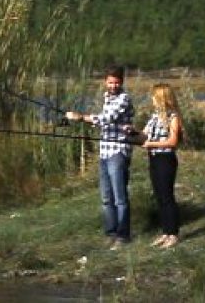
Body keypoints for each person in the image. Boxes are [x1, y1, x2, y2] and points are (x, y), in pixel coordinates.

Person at [65, 65, 134, 250]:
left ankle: (123, 236)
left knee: (120, 198)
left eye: (117, 82)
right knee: (106, 198)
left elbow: (107, 119)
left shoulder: (124, 99)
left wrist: (80, 117)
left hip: (118, 152)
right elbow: (104, 124)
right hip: (104, 152)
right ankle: (110, 233)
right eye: (110, 82)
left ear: (122, 82)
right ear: (105, 82)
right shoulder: (107, 98)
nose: (113, 85)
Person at [139, 83, 182, 249]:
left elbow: (172, 141)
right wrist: (130, 132)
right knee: (159, 196)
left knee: (167, 196)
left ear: (162, 98)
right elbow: (143, 135)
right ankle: (165, 232)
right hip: (154, 159)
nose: (151, 100)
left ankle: (173, 234)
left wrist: (151, 144)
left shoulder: (174, 117)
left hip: (166, 159)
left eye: (154, 97)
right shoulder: (154, 117)